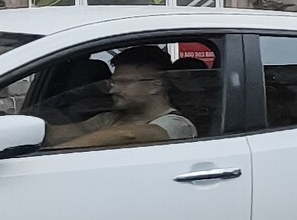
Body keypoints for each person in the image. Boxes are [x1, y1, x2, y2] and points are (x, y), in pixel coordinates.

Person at [44, 46, 196, 149]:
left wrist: (53, 154)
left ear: (155, 86)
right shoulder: (110, 118)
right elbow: (72, 131)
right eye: (112, 83)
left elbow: (128, 136)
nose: (112, 90)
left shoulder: (177, 125)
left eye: (123, 82)